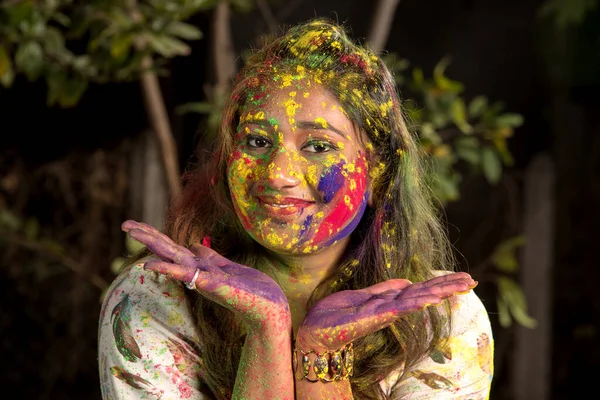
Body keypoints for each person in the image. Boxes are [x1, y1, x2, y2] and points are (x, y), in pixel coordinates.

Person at [98, 18, 494, 399]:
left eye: (318, 146)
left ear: (375, 173)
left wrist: (320, 357)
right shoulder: (155, 297)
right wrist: (266, 331)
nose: (277, 175)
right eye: (256, 142)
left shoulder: (441, 318)